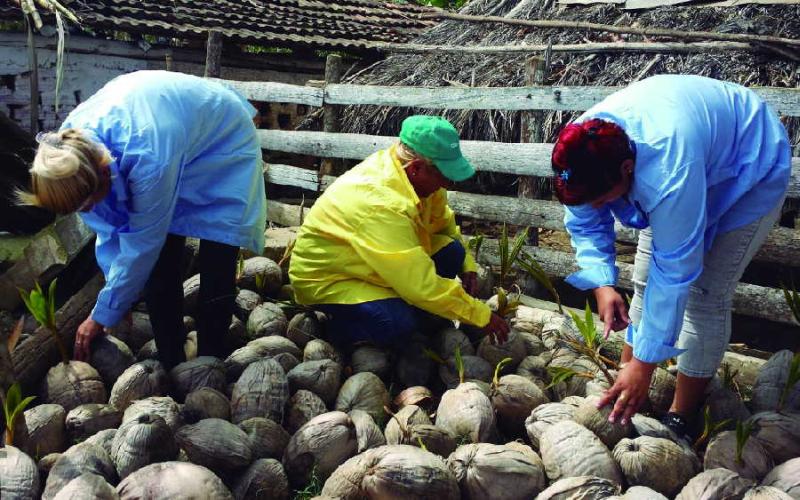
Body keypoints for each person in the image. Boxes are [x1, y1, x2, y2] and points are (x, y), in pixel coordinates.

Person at [551, 74, 791, 435]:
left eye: (604, 200)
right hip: (695, 151)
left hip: (748, 165)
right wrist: (602, 282)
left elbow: (676, 271)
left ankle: (681, 414)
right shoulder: (578, 151)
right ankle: (629, 387)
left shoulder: (667, 171)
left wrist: (645, 366)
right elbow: (584, 220)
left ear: (627, 170)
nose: (598, 207)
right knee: (643, 281)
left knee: (705, 295)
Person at [18, 70, 267, 369]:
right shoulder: (67, 151)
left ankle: (211, 361)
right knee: (160, 269)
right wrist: (116, 293)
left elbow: (143, 242)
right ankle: (172, 363)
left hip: (221, 139)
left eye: (87, 203)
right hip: (171, 131)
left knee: (218, 257)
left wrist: (103, 312)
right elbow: (108, 228)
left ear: (103, 171)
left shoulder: (148, 159)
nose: (86, 211)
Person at [289, 115, 509, 349]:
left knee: (453, 251)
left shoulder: (419, 179)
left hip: (375, 261)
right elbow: (419, 284)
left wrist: (467, 265)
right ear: (416, 169)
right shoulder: (382, 203)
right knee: (395, 325)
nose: (448, 184)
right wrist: (480, 315)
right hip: (331, 278)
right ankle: (333, 330)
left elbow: (444, 223)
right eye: (445, 176)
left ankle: (415, 312)